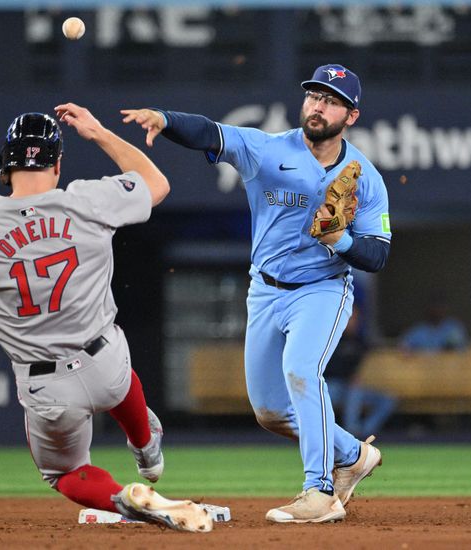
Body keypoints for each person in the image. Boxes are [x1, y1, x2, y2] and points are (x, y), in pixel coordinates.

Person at [0, 105, 212, 533]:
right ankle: (147, 446)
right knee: (119, 368)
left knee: (65, 473)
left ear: (5, 163)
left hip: (46, 386)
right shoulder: (89, 200)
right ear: (57, 164)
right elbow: (157, 183)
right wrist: (98, 134)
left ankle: (121, 497)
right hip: (104, 359)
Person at [122, 63, 391, 523]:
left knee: (302, 371)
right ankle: (354, 456)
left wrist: (340, 241)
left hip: (322, 289)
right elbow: (210, 133)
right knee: (270, 411)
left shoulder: (364, 177)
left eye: (331, 100)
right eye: (313, 95)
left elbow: (377, 254)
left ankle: (319, 492)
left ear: (351, 115)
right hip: (265, 290)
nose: (318, 105)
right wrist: (164, 120)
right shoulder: (268, 150)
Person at [325, 305, 397, 438]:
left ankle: (364, 431)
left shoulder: (360, 341)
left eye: (356, 318)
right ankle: (351, 432)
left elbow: (376, 348)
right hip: (332, 387)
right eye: (350, 318)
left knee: (388, 400)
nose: (353, 322)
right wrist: (349, 378)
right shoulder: (329, 339)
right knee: (354, 389)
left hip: (354, 388)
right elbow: (327, 369)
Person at [400, 296, 467, 352]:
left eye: (441, 306)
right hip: (422, 366)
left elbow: (459, 349)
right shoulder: (418, 330)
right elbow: (403, 348)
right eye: (435, 306)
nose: (437, 310)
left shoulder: (453, 327)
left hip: (447, 366)